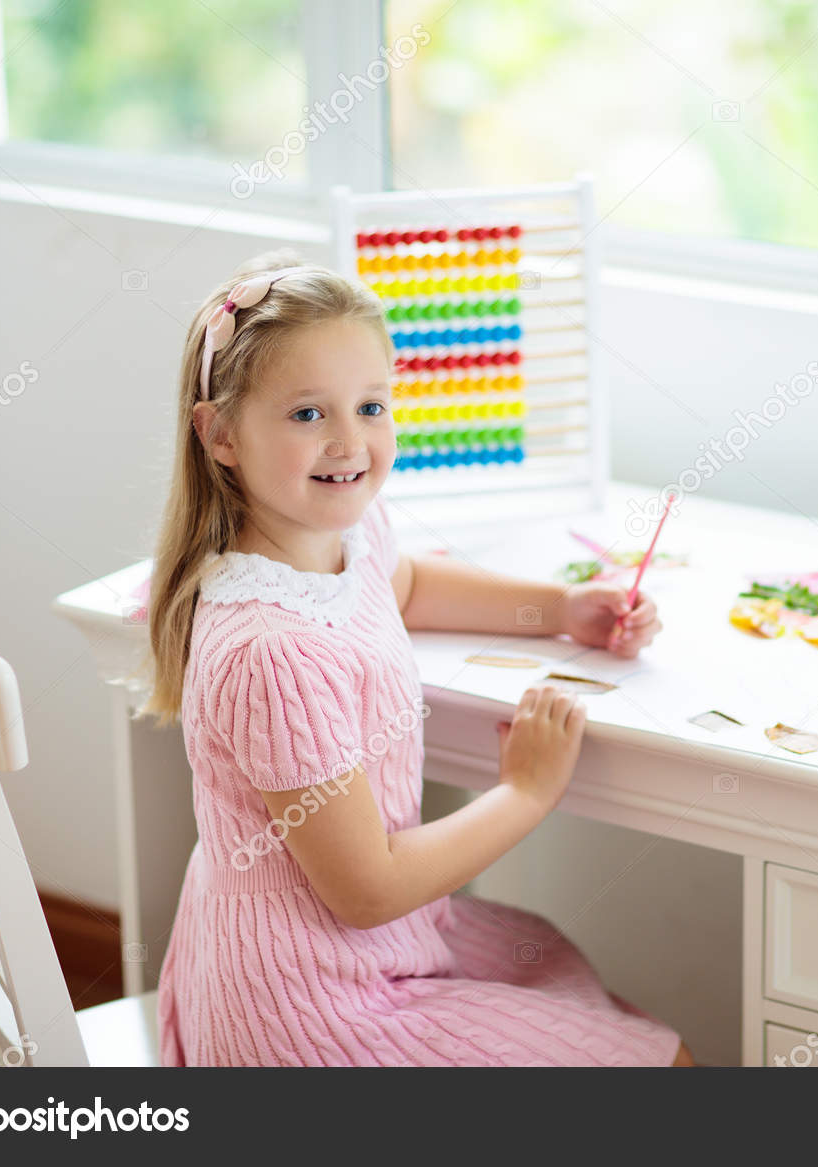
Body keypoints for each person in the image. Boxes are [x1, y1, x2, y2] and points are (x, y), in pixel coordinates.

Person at [138, 249, 690, 1066]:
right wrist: (527, 791)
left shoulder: (338, 536)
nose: (349, 441)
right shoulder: (269, 654)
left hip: (377, 944)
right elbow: (370, 888)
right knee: (661, 1063)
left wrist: (561, 611)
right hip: (305, 1012)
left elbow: (409, 585)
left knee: (572, 981)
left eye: (370, 405)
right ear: (219, 433)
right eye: (307, 414)